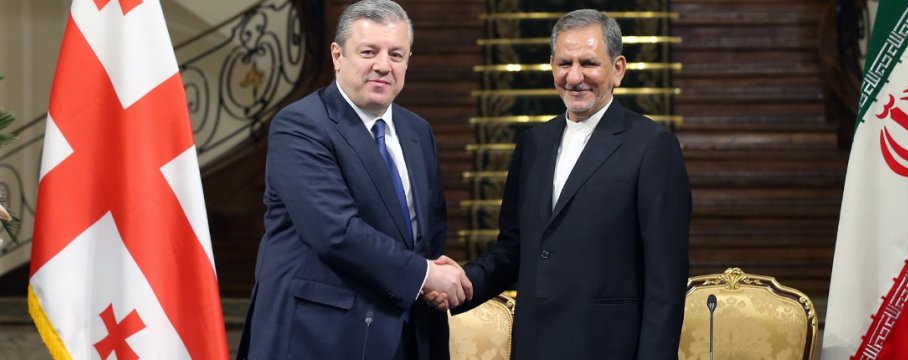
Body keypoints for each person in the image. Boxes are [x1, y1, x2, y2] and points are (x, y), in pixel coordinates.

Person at [436, 9, 692, 359]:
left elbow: (666, 279)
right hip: (535, 345)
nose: (574, 77)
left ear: (617, 69)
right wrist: (466, 282)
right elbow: (514, 249)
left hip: (609, 348)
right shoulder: (533, 143)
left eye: (588, 63)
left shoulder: (652, 146)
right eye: (563, 63)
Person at [237, 1, 471, 359]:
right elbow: (336, 232)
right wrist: (425, 275)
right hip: (321, 337)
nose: (382, 65)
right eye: (368, 52)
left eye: (396, 54)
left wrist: (430, 279)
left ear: (408, 60)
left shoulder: (417, 131)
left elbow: (427, 233)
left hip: (408, 334)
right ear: (337, 55)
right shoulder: (300, 125)